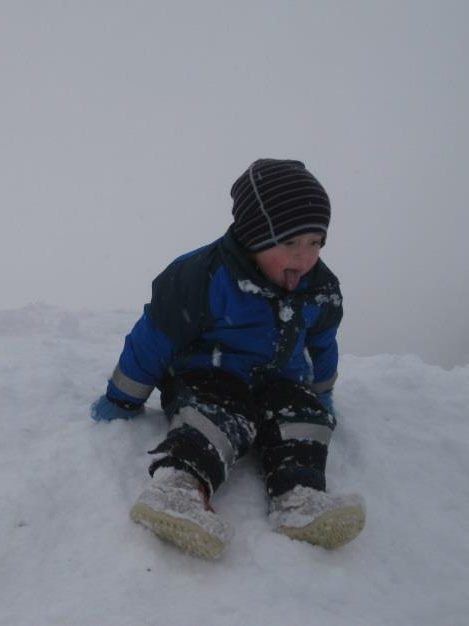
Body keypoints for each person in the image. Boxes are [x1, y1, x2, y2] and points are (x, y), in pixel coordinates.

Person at [91, 159, 365, 559]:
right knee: (216, 415)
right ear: (255, 237)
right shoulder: (202, 277)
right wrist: (122, 398)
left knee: (302, 415)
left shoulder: (320, 289)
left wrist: (321, 396)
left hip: (278, 377)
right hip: (208, 372)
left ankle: (300, 499)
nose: (305, 257)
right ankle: (178, 488)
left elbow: (323, 345)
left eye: (316, 242)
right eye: (290, 243)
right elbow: (153, 339)